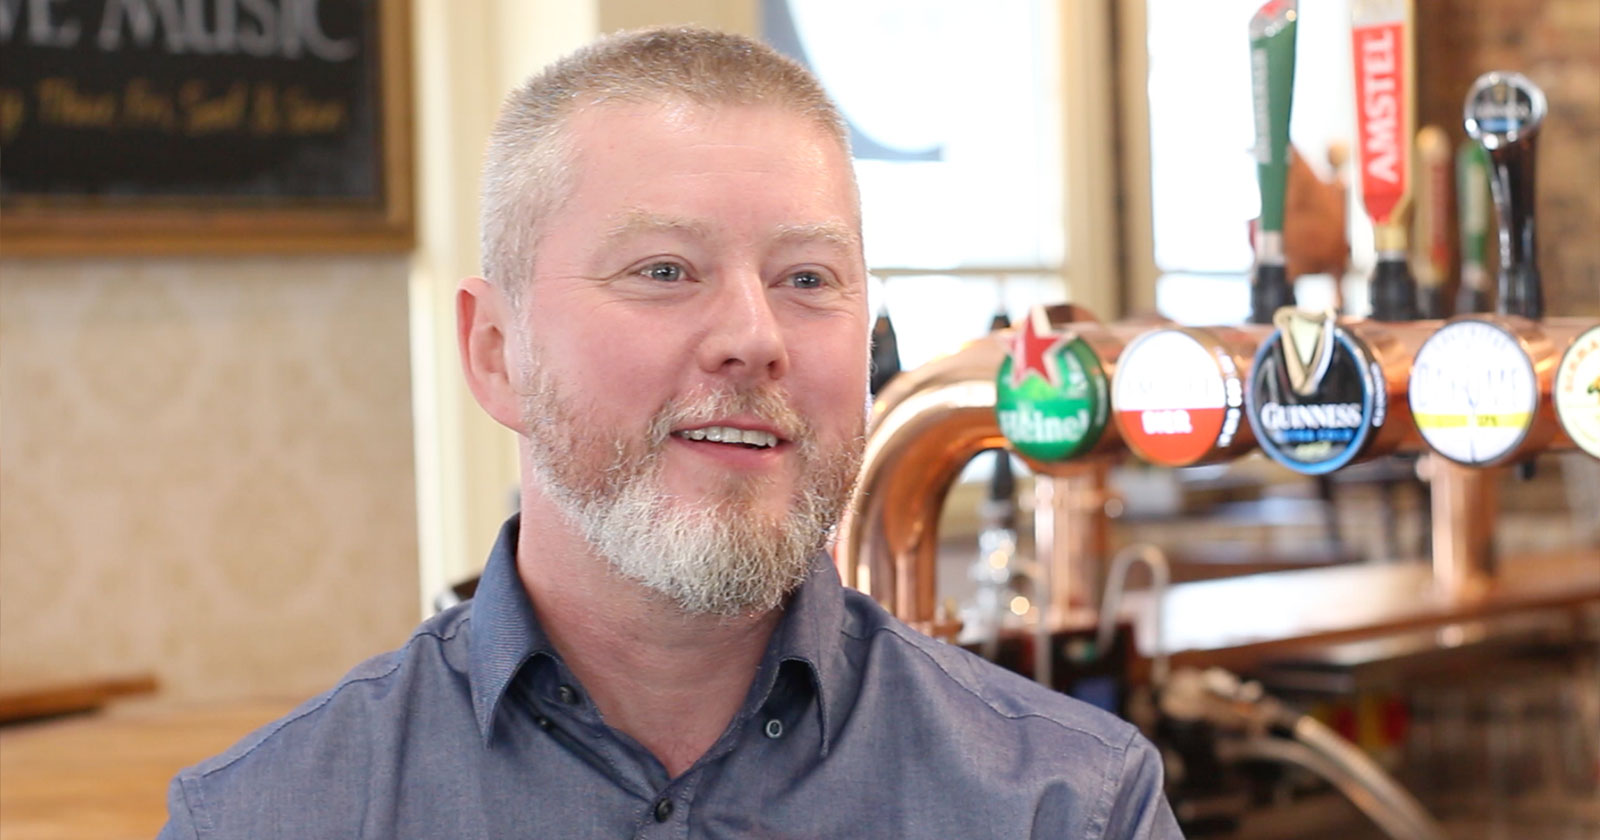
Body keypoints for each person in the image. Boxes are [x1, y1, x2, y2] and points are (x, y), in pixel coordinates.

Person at [160, 27, 1182, 839]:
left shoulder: (1068, 807)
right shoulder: (266, 817)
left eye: (806, 280)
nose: (753, 336)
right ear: (495, 352)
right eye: (663, 270)